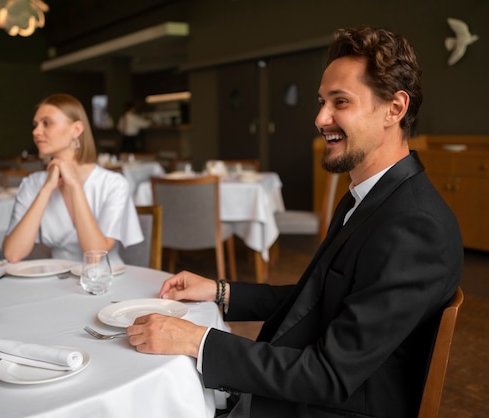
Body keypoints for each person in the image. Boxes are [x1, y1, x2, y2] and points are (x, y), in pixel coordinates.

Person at [125, 25, 464, 418]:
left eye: (341, 102)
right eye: (322, 101)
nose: (321, 118)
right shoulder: (374, 196)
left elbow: (329, 376)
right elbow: (321, 299)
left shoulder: (416, 226)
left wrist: (199, 341)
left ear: (395, 108)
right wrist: (219, 291)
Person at [3, 93, 143, 267]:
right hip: (55, 278)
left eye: (47, 123)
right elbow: (13, 254)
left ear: (76, 130)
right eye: (36, 125)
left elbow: (95, 256)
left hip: (105, 281)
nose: (36, 131)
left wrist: (75, 187)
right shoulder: (33, 183)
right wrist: (46, 189)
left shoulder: (113, 184)